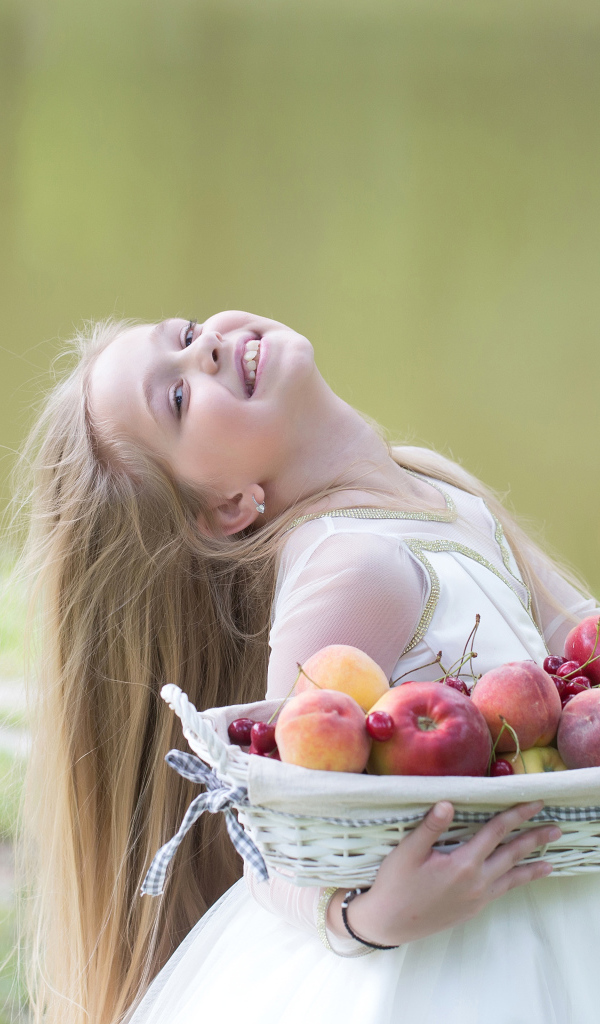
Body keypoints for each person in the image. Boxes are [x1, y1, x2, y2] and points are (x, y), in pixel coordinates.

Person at [19, 310, 600, 1024]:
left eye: (187, 331)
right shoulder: (352, 564)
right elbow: (269, 820)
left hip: (560, 870)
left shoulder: (438, 488)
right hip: (466, 944)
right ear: (230, 504)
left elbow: (582, 651)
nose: (205, 347)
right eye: (175, 399)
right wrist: (364, 918)